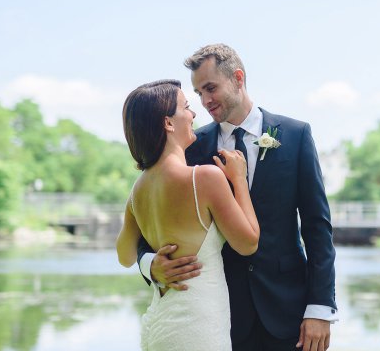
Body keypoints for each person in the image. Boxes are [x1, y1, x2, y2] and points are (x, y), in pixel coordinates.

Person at [137, 44, 338, 351]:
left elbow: (317, 226)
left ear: (238, 79)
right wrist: (150, 264)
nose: (204, 101)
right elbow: (148, 220)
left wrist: (320, 307)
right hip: (218, 315)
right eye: (198, 92)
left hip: (290, 311)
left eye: (210, 88)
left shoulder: (296, 136)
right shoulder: (189, 146)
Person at [116, 79, 260, 350]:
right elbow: (248, 243)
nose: (194, 114)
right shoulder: (204, 177)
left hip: (159, 322)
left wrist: (151, 263)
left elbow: (124, 256)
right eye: (186, 107)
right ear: (168, 123)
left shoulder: (138, 189)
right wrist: (239, 179)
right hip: (198, 327)